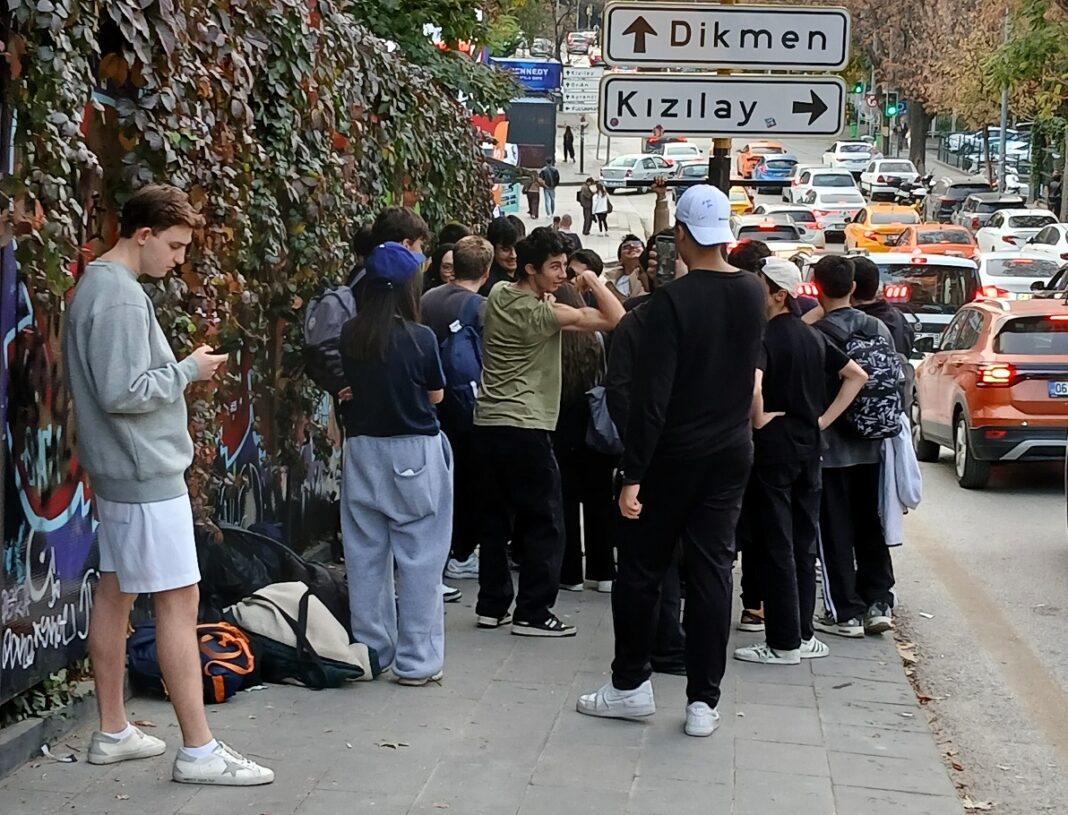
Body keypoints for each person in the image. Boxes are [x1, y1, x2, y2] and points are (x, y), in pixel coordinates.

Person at [63, 184, 273, 785]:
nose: (179, 259)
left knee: (116, 589)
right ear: (144, 234)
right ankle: (199, 750)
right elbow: (124, 392)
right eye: (176, 246)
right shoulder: (122, 298)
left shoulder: (96, 287)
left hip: (121, 469)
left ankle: (112, 730)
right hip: (144, 471)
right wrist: (189, 369)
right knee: (178, 601)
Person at [577, 185, 766, 738]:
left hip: (670, 459)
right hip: (730, 454)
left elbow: (651, 401)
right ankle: (703, 702)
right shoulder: (753, 294)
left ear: (681, 235)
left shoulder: (669, 306)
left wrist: (632, 475)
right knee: (712, 574)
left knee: (641, 571)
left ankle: (631, 685)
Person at [474, 227, 624, 637]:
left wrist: (546, 289)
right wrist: (592, 279)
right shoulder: (545, 314)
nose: (562, 274)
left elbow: (525, 294)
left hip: (488, 420)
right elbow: (616, 319)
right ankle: (534, 612)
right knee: (546, 518)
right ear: (530, 268)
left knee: (497, 518)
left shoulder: (499, 296)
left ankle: (492, 605)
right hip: (527, 423)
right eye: (555, 267)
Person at [733, 258, 867, 666]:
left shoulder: (766, 337)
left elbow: (754, 386)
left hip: (775, 450)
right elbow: (856, 375)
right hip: (810, 448)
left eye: (760, 285)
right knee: (803, 541)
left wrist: (758, 418)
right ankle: (803, 633)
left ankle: (784, 641)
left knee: (776, 540)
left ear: (778, 293)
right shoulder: (812, 337)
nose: (753, 290)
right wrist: (821, 420)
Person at [339, 242, 453, 686]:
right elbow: (436, 395)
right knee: (421, 558)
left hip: (363, 450)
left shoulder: (351, 334)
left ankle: (371, 651)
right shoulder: (420, 338)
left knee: (365, 556)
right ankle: (417, 662)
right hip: (414, 452)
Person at [810, 255, 899, 639]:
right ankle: (879, 601)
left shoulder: (818, 333)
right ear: (853, 289)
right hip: (874, 444)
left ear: (816, 288)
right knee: (870, 524)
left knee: (834, 529)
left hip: (831, 447)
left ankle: (844, 609)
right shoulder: (879, 326)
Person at [420, 236, 494, 581]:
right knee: (470, 480)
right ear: (486, 269)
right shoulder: (481, 306)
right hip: (468, 401)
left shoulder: (427, 299)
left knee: (439, 479)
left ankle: (440, 547)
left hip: (430, 398)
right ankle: (462, 552)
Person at [552, 283, 616, 594]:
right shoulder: (597, 338)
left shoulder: (550, 338)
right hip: (595, 422)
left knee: (564, 499)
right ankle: (603, 571)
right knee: (599, 499)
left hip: (559, 421)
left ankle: (570, 572)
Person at [479, 217, 519, 296]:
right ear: (492, 249)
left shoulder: (529, 274)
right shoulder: (488, 286)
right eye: (506, 249)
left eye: (516, 247)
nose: (513, 255)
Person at [607, 235, 648, 302]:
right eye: (626, 247)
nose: (632, 246)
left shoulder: (648, 276)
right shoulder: (608, 278)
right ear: (620, 260)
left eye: (637, 245)